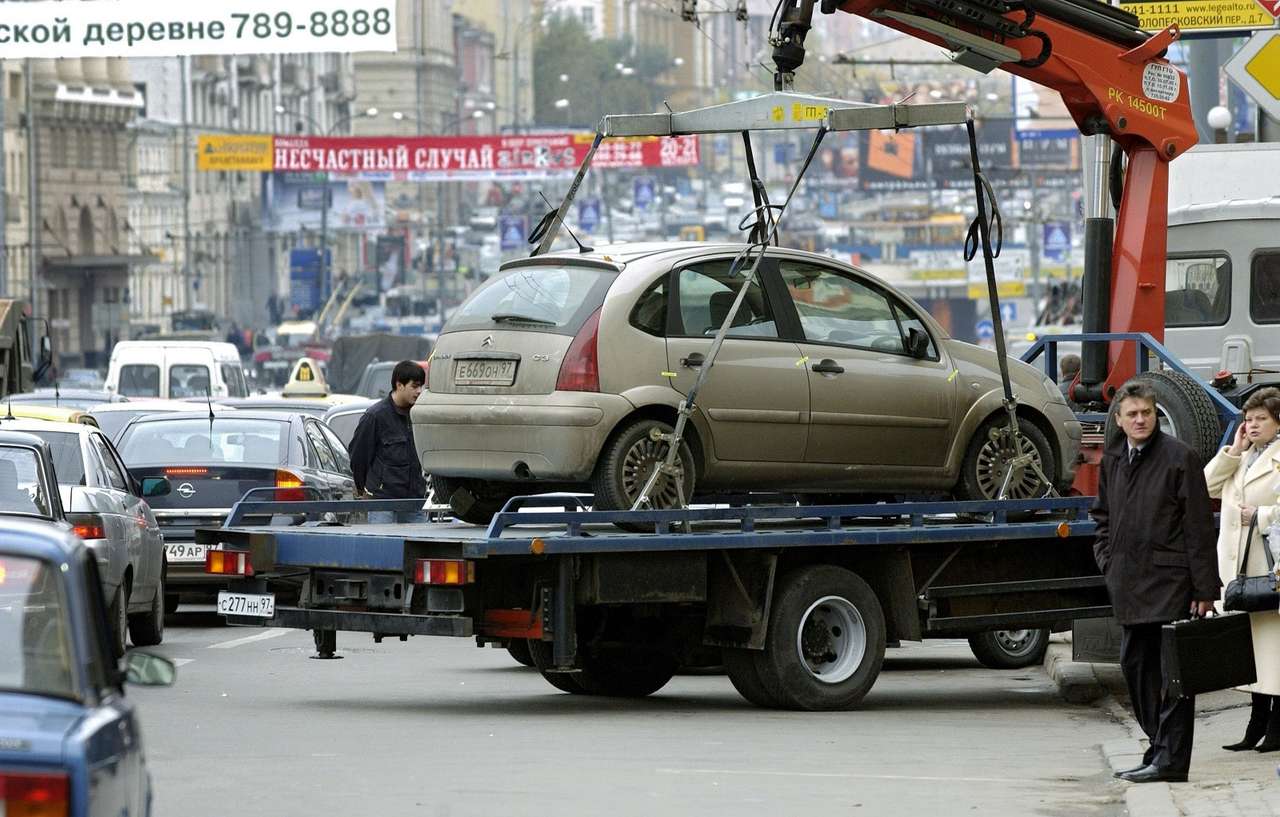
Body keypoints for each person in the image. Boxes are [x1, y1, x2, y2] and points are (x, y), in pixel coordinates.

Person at [1091, 379, 1219, 783]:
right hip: (1128, 583)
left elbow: (1198, 527)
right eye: (1133, 414)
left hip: (1171, 584)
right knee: (1135, 669)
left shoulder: (1180, 457)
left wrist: (1203, 589)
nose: (1141, 419)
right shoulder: (1113, 459)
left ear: (1156, 412)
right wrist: (1108, 562)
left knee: (1174, 677)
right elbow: (1102, 519)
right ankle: (1158, 746)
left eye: (1147, 412)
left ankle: (1171, 761)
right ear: (1120, 419)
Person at [1204, 387, 1280, 752]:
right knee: (1249, 650)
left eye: (1260, 419)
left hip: (1270, 568)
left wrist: (1262, 516)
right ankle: (1255, 724)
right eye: (1248, 420)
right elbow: (1206, 485)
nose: (1252, 426)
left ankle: (1276, 726)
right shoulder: (1242, 456)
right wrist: (1233, 450)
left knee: (1273, 649)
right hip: (1237, 568)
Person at [349, 360, 427, 521]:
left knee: (417, 545)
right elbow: (358, 455)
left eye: (421, 386)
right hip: (383, 502)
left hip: (414, 501)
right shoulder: (375, 416)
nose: (419, 391)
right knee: (383, 546)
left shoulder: (419, 415)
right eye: (414, 386)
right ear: (399, 385)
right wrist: (361, 488)